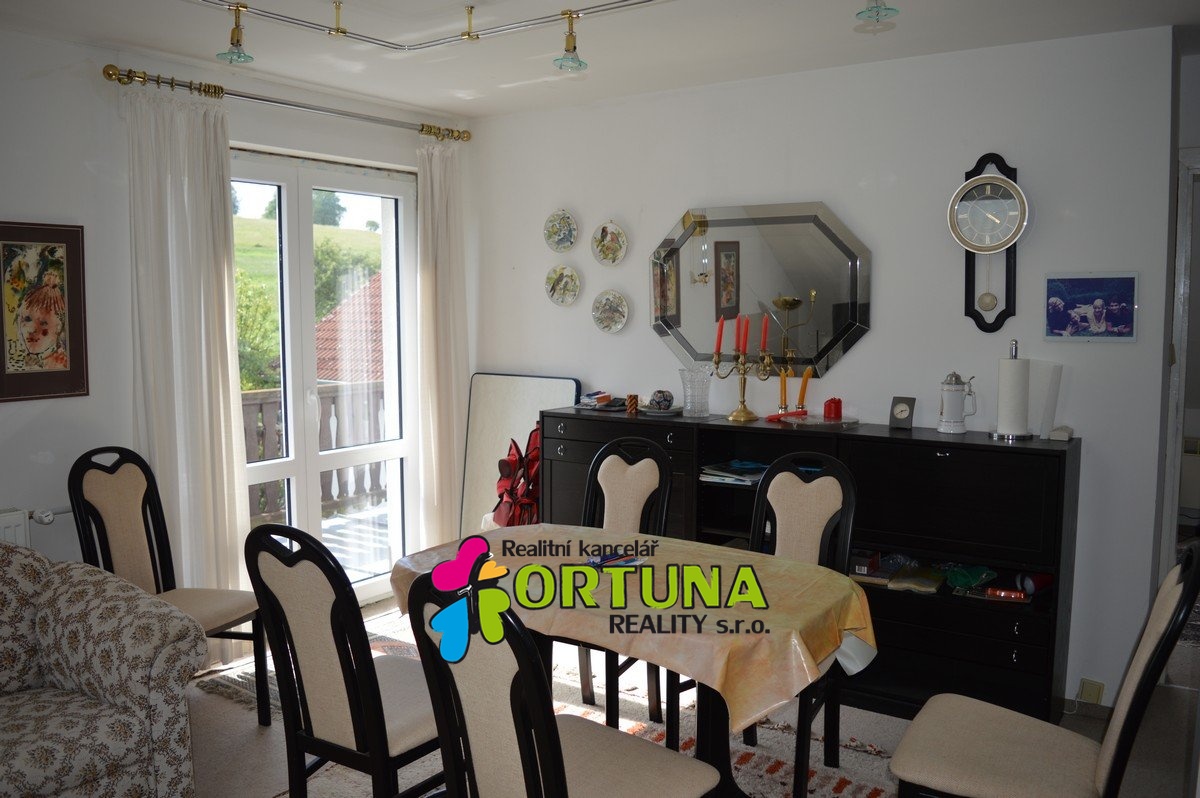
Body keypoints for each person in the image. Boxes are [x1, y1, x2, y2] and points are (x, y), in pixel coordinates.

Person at [13, 272, 68, 370]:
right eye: (27, 319)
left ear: (59, 327)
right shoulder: (18, 362)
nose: (31, 329)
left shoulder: (61, 365)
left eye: (43, 323)